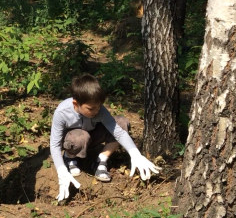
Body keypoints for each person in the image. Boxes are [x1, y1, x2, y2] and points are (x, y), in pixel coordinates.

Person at [50, 74, 161, 202]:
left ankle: (100, 160)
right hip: (74, 140)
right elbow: (54, 145)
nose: (96, 111)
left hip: (92, 137)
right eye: (91, 108)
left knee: (122, 122)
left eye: (99, 107)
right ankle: (70, 158)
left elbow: (118, 132)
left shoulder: (98, 109)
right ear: (76, 103)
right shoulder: (62, 112)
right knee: (80, 137)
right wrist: (61, 170)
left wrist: (135, 153)